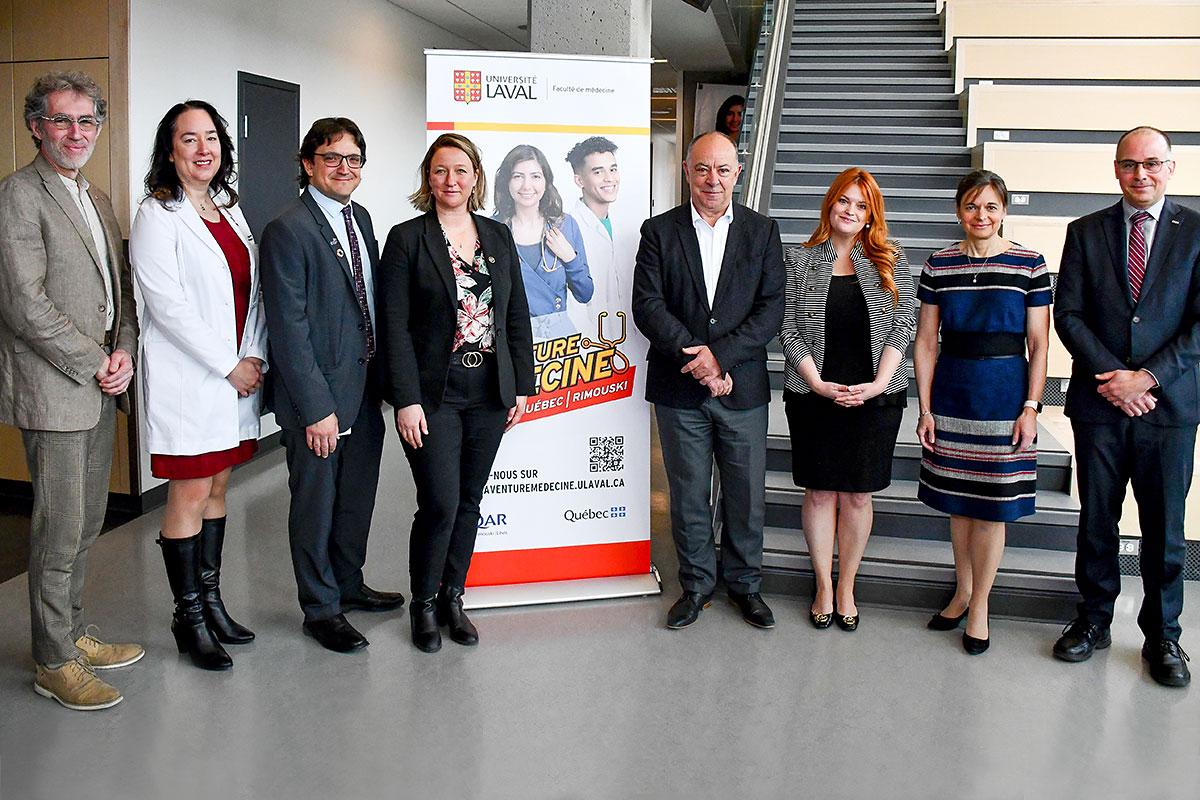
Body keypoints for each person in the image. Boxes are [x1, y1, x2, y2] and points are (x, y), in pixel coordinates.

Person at [0, 71, 141, 710]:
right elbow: (22, 304)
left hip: (100, 382)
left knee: (85, 524)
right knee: (58, 529)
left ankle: (71, 630)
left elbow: (120, 292)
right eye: (62, 121)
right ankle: (52, 661)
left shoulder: (97, 196)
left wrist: (125, 353)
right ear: (36, 126)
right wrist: (94, 362)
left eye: (87, 122)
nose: (76, 133)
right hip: (58, 389)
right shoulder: (18, 197)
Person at [1052, 126, 1200, 688]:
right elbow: (1069, 314)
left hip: (1169, 408)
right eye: (1129, 164)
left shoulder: (1196, 233)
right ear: (1115, 170)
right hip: (1100, 405)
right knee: (1096, 521)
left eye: (1152, 164)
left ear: (1170, 168)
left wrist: (1149, 378)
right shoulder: (1085, 232)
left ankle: (1164, 636)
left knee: (1165, 529)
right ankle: (1093, 620)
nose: (1141, 174)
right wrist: (1114, 378)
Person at [379, 133, 535, 653]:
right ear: (429, 177)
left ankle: (453, 598)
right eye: (441, 170)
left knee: (469, 501)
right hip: (433, 392)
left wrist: (521, 387)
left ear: (476, 177)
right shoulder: (407, 238)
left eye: (461, 171)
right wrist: (405, 399)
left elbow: (514, 314)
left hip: (489, 388)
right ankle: (423, 604)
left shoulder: (496, 235)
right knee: (440, 502)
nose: (451, 180)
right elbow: (394, 326)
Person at [130, 100, 267, 671]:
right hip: (193, 380)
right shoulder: (157, 214)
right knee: (189, 493)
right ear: (170, 150)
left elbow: (254, 293)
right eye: (189, 139)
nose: (203, 148)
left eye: (211, 137)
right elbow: (167, 307)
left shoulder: (229, 209)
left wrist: (253, 354)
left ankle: (212, 601)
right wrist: (228, 364)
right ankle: (188, 618)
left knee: (217, 489)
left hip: (237, 376)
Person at [260, 117, 404, 655]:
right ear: (308, 164)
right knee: (315, 504)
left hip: (364, 388)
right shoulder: (288, 228)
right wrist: (316, 407)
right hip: (318, 398)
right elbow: (288, 327)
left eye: (353, 159)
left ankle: (348, 582)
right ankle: (320, 609)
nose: (345, 168)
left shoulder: (358, 217)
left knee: (356, 497)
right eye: (332, 158)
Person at [632, 131, 784, 630]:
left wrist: (719, 358)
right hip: (679, 389)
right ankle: (696, 585)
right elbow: (648, 305)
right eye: (702, 169)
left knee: (745, 494)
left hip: (742, 388)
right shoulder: (658, 231)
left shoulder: (763, 232)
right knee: (689, 492)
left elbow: (770, 312)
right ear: (687, 172)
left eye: (722, 169)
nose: (712, 180)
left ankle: (744, 585)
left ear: (738, 173)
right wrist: (696, 359)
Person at [914, 169, 1051, 655]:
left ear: (1004, 211)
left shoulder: (1029, 264)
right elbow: (926, 342)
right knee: (958, 502)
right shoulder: (938, 265)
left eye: (991, 206)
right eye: (972, 206)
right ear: (958, 210)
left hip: (1004, 392)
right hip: (952, 391)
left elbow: (1039, 342)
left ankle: (981, 606)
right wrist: (926, 407)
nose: (981, 215)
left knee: (992, 508)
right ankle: (962, 590)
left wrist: (1032, 407)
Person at [778, 168, 915, 632]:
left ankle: (847, 586)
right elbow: (788, 328)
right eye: (844, 201)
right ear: (830, 204)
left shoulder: (891, 259)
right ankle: (821, 583)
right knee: (819, 492)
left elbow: (904, 325)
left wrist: (879, 384)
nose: (851, 211)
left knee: (857, 495)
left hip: (874, 398)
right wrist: (815, 382)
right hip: (814, 395)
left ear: (871, 214)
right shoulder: (799, 259)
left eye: (861, 205)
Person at [493, 144, 593, 339]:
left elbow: (585, 293)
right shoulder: (493, 230)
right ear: (506, 181)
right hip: (511, 339)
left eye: (535, 176)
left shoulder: (565, 225)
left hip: (557, 344)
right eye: (517, 176)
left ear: (546, 181)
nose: (527, 186)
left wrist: (569, 257)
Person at [566, 136, 627, 329]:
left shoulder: (626, 224)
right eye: (598, 172)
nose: (609, 178)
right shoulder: (567, 228)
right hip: (589, 345)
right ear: (579, 180)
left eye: (613, 169)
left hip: (628, 342)